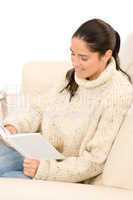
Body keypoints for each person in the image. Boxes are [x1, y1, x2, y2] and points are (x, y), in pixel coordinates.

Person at [0, 18, 133, 183]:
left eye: (83, 58)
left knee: (6, 181)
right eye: (72, 54)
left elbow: (94, 161)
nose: (75, 63)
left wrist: (45, 170)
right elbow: (39, 108)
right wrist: (14, 126)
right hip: (37, 153)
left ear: (106, 55)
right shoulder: (73, 76)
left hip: (59, 170)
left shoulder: (118, 94)